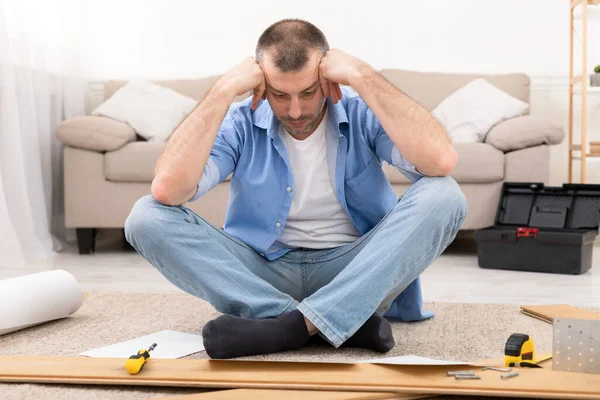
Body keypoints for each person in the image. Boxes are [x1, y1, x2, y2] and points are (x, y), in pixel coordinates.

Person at [125, 18, 467, 359]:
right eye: (279, 95)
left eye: (307, 93)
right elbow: (168, 190)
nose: (295, 110)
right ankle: (335, 321)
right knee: (146, 217)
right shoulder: (241, 121)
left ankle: (288, 328)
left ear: (328, 81)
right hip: (261, 270)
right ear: (261, 86)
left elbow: (440, 161)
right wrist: (222, 90)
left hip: (355, 269)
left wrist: (363, 76)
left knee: (445, 194)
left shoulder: (360, 113)